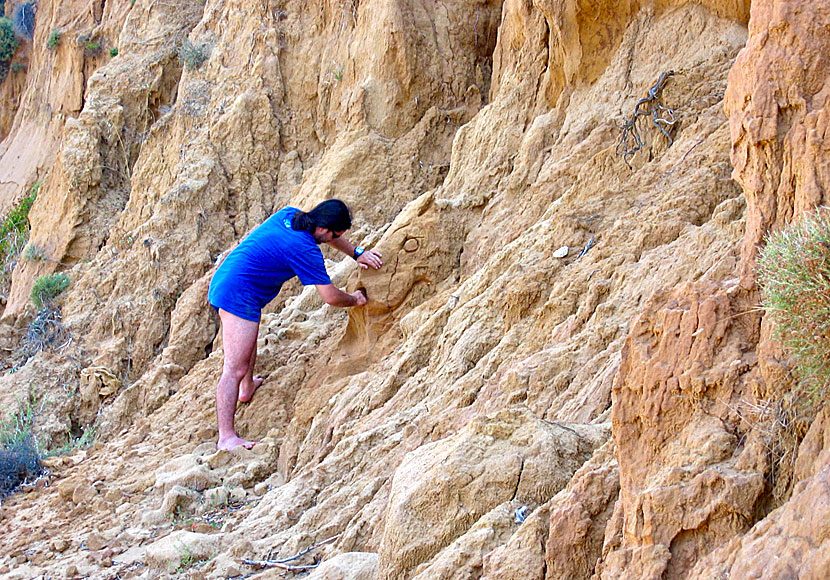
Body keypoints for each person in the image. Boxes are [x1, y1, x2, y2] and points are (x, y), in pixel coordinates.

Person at [208, 199, 383, 450]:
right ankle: (226, 437)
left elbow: (330, 237)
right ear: (323, 229)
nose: (335, 239)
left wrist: (357, 253)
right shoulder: (304, 249)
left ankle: (246, 387)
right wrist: (354, 299)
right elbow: (331, 297)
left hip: (234, 277)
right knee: (233, 368)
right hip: (236, 292)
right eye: (335, 234)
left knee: (247, 346)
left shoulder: (292, 216)